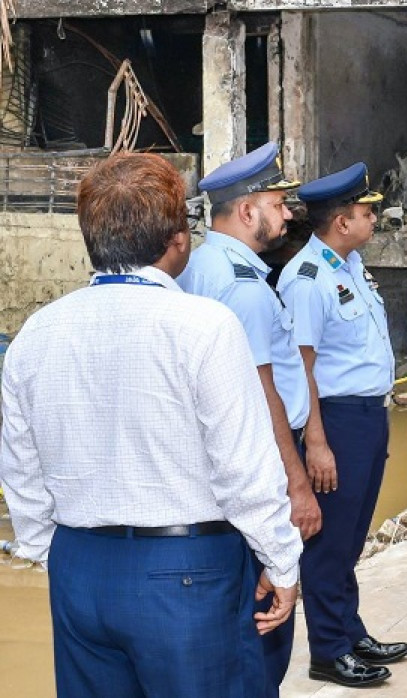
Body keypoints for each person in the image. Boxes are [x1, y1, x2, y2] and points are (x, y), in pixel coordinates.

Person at [0, 153, 302, 697]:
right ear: (179, 239)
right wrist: (281, 561)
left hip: (80, 569)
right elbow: (244, 469)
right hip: (187, 573)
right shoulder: (205, 326)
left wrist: (56, 555)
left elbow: (21, 471)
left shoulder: (36, 334)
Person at [178, 141, 323, 696]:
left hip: (216, 463)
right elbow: (262, 392)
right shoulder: (242, 289)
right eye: (279, 203)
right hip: (258, 454)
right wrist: (297, 486)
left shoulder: (203, 265)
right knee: (263, 618)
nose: (288, 213)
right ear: (246, 211)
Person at [276, 162, 407, 688]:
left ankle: (350, 631)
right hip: (335, 420)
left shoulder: (349, 266)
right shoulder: (306, 279)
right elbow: (299, 367)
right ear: (341, 222)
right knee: (329, 542)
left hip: (368, 417)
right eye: (365, 211)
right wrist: (317, 441)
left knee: (352, 535)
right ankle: (328, 651)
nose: (374, 218)